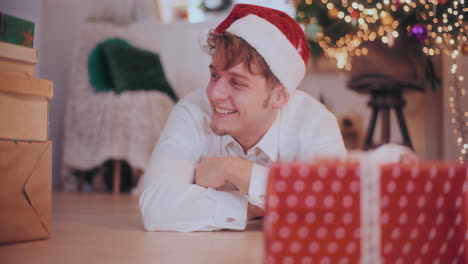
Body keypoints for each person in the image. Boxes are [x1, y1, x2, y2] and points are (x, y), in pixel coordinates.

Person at [139, 4, 346, 232]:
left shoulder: (314, 121)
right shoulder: (192, 110)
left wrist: (234, 169)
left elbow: (333, 202)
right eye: (214, 75)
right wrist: (260, 206)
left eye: (236, 82)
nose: (214, 93)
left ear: (279, 96)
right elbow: (155, 206)